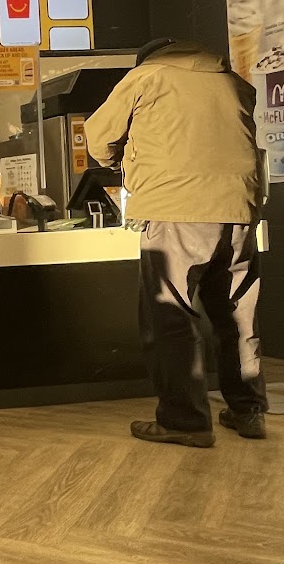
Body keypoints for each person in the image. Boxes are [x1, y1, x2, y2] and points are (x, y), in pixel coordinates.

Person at [85, 38, 267, 448]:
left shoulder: (145, 77)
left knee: (172, 315)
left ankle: (185, 421)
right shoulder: (233, 82)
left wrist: (120, 162)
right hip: (238, 210)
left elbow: (98, 138)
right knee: (238, 314)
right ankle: (248, 410)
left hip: (175, 209)